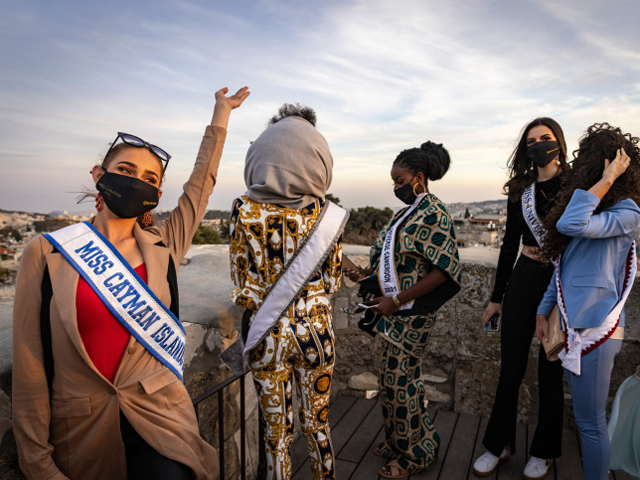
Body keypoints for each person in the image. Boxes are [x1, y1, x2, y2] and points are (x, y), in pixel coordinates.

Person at [12, 86, 250, 480]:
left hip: (159, 415)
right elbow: (29, 361)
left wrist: (220, 115)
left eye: (149, 178)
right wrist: (36, 462)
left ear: (155, 194)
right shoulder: (48, 251)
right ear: (99, 175)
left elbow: (200, 186)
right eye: (125, 170)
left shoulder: (164, 246)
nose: (136, 181)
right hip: (82, 425)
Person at [228, 104, 346, 480]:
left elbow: (240, 280)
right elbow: (333, 282)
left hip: (268, 333)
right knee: (318, 425)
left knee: (276, 433)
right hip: (316, 331)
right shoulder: (329, 214)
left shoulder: (243, 210)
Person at [345, 141, 462, 479]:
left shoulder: (434, 213)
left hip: (410, 314)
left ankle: (416, 453)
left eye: (400, 180)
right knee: (391, 379)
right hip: (391, 311)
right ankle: (399, 440)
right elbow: (391, 261)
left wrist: (395, 300)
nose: (396, 187)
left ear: (419, 178)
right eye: (393, 181)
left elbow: (444, 270)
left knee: (401, 382)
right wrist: (364, 274)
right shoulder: (404, 215)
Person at [535, 123, 640, 480]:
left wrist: (608, 178)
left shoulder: (627, 212)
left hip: (597, 324)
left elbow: (572, 224)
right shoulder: (591, 202)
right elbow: (564, 266)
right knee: (585, 420)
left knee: (591, 423)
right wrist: (542, 309)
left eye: (598, 161)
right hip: (569, 318)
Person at [471, 118, 569, 479]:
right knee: (509, 370)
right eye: (532, 141)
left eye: (546, 138)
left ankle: (544, 451)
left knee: (549, 370)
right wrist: (497, 297)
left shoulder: (575, 185)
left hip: (560, 280)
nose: (539, 145)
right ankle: (499, 445)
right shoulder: (521, 190)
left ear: (559, 142)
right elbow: (509, 242)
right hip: (525, 278)